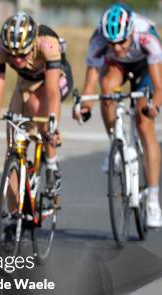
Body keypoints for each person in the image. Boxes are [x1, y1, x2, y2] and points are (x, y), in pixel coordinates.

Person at [74, 3, 162, 228]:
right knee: (107, 89)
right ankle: (116, 141)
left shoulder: (147, 37)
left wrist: (154, 106)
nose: (118, 48)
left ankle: (152, 200)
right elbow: (90, 83)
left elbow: (159, 88)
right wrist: (84, 106)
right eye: (112, 44)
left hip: (146, 68)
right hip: (117, 68)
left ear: (131, 32)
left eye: (122, 42)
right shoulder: (99, 40)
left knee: (144, 125)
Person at [0, 11, 73, 196]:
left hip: (54, 80)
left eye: (22, 54)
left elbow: (51, 93)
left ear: (32, 43)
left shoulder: (47, 43)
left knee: (37, 106)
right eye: (12, 55)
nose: (17, 60)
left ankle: (51, 164)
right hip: (25, 82)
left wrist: (52, 124)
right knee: (13, 141)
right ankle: (14, 213)